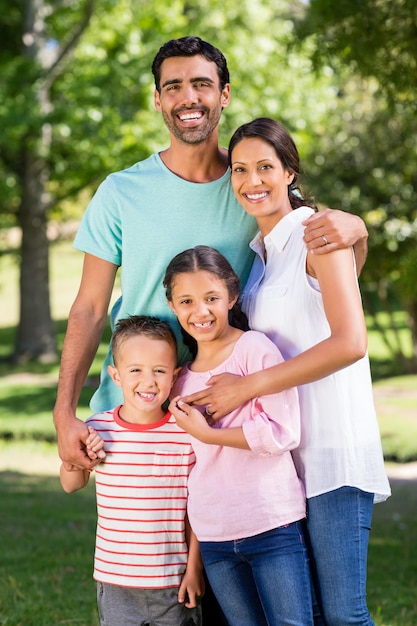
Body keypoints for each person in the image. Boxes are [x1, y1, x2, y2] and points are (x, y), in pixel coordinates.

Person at [53, 36, 369, 475]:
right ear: (158, 99)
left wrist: (358, 229)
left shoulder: (252, 185)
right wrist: (63, 411)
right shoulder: (120, 192)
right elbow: (87, 309)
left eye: (201, 83)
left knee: (224, 542)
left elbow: (318, 256)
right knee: (138, 542)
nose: (188, 97)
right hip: (143, 411)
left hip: (229, 410)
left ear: (224, 94)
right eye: (174, 86)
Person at [183, 118, 391, 626]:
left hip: (334, 454)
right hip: (286, 458)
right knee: (312, 613)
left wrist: (246, 388)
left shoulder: (317, 234)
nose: (252, 180)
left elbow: (351, 341)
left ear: (289, 172)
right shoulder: (259, 259)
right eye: (239, 170)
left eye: (265, 167)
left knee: (344, 614)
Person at [163, 245, 313, 626]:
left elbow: (282, 431)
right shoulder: (179, 379)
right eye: (187, 301)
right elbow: (188, 468)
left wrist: (211, 435)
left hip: (271, 523)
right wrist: (193, 560)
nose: (200, 311)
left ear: (232, 295)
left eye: (211, 298)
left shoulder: (253, 349)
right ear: (173, 305)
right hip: (214, 536)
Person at [60, 315, 204, 626]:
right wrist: (77, 456)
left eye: (159, 371)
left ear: (176, 375)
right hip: (116, 581)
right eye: (135, 370)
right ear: (116, 375)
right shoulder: (97, 428)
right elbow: (71, 484)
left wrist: (194, 569)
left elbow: (196, 509)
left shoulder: (185, 433)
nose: (148, 381)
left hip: (172, 580)